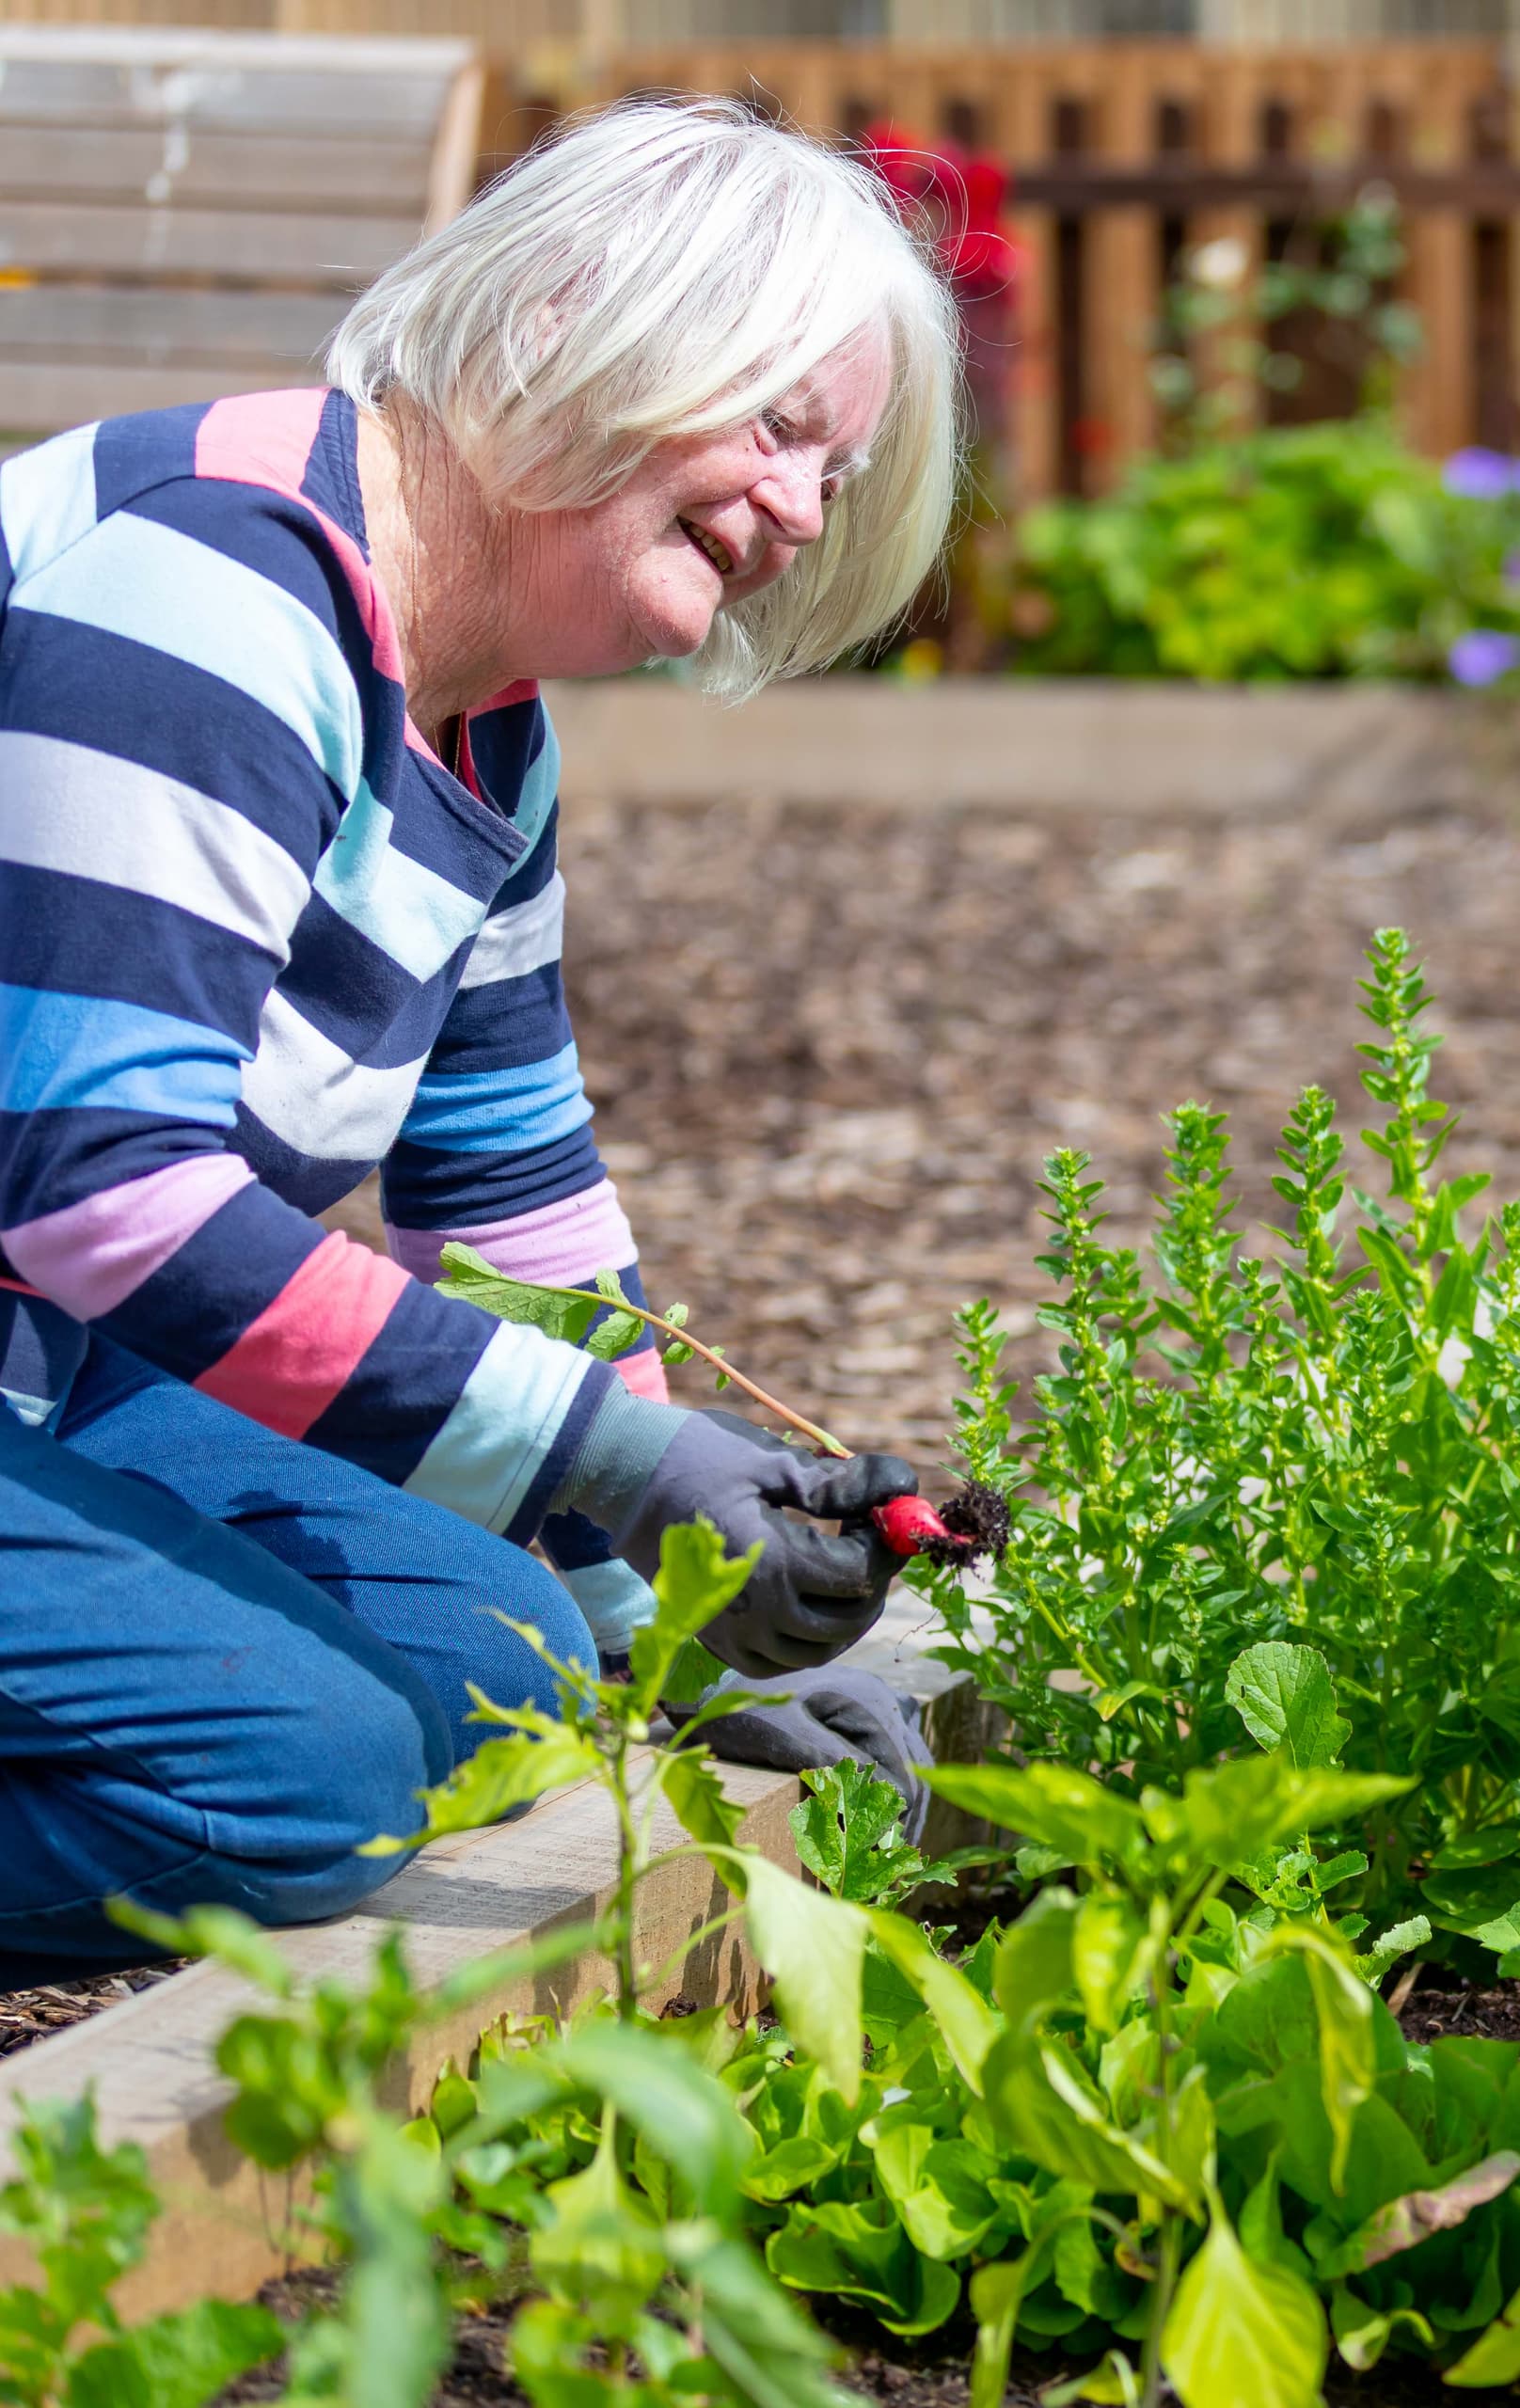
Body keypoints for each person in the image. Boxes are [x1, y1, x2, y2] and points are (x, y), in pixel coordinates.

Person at [0, 96, 962, 1980]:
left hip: (45, 1359)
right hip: (52, 1305)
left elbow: (509, 1192)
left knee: (508, 1664)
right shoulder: (217, 579)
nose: (796, 512)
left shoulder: (482, 719)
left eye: (833, 475)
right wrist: (609, 1450)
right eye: (777, 425)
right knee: (300, 1777)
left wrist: (655, 1624)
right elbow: (98, 1182)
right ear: (575, 321)